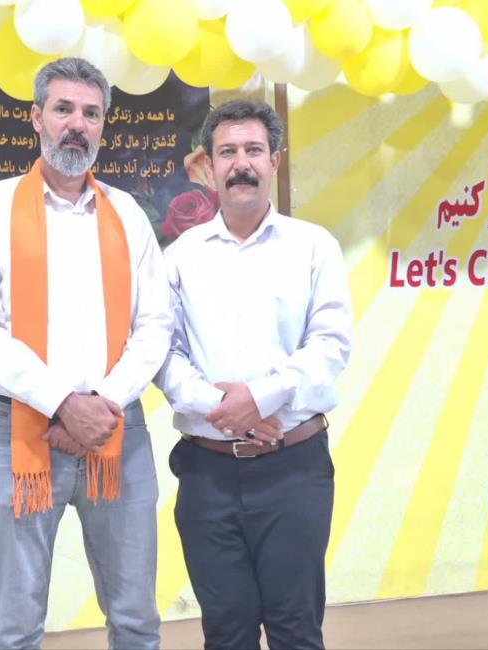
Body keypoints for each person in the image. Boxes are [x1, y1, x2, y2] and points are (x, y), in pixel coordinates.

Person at [0, 57, 172, 650]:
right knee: (15, 627)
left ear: (102, 126)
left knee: (136, 619)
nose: (77, 124)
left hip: (117, 433)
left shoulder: (128, 214)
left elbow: (155, 324)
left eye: (91, 114)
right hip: (19, 431)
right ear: (36, 118)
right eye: (64, 109)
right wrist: (62, 403)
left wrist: (102, 402)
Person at [155, 99, 353, 650]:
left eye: (253, 150)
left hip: (294, 469)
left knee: (295, 630)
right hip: (208, 473)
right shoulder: (180, 256)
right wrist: (224, 409)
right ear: (207, 166)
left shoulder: (314, 246)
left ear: (275, 161)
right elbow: (163, 353)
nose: (241, 163)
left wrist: (261, 399)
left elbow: (331, 344)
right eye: (227, 152)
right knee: (226, 633)